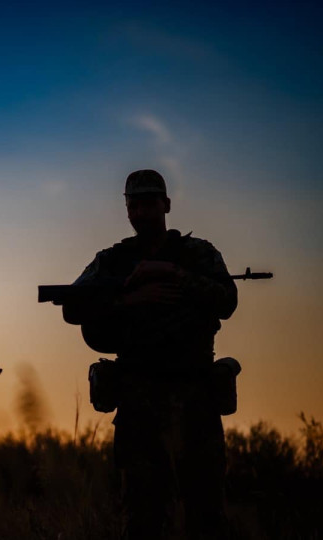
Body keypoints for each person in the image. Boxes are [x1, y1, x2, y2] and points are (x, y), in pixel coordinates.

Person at [63, 170, 237, 539]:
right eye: (134, 205)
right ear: (126, 210)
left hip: (195, 397)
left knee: (206, 514)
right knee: (143, 515)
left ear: (167, 205)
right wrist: (127, 300)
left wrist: (172, 273)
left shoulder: (196, 253)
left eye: (149, 204)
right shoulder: (112, 260)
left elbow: (227, 300)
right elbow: (73, 306)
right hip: (138, 399)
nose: (141, 213)